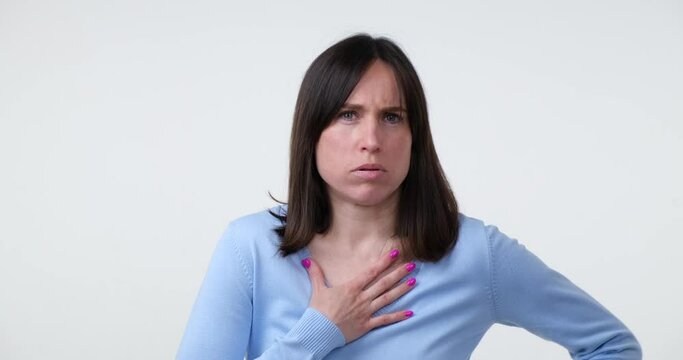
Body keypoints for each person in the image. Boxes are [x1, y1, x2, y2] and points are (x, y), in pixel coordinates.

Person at [176, 34, 642, 359]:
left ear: (416, 135)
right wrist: (318, 333)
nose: (371, 140)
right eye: (348, 114)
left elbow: (611, 346)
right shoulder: (250, 246)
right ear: (311, 132)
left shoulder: (475, 253)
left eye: (393, 117)